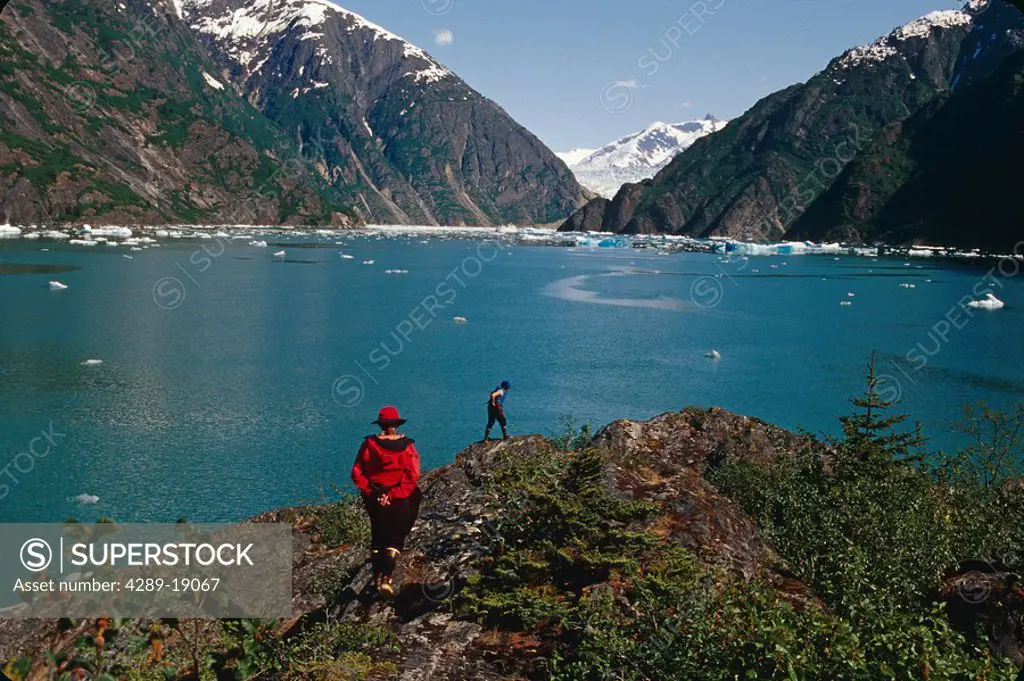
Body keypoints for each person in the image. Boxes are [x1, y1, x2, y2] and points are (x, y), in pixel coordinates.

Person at [351, 405, 422, 596]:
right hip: (399, 496)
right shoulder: (407, 446)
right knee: (395, 536)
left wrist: (373, 492)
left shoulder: (369, 444)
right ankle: (386, 580)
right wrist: (392, 494)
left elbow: (357, 471)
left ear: (381, 424)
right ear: (396, 424)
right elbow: (412, 474)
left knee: (378, 534)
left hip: (374, 496)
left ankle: (376, 579)